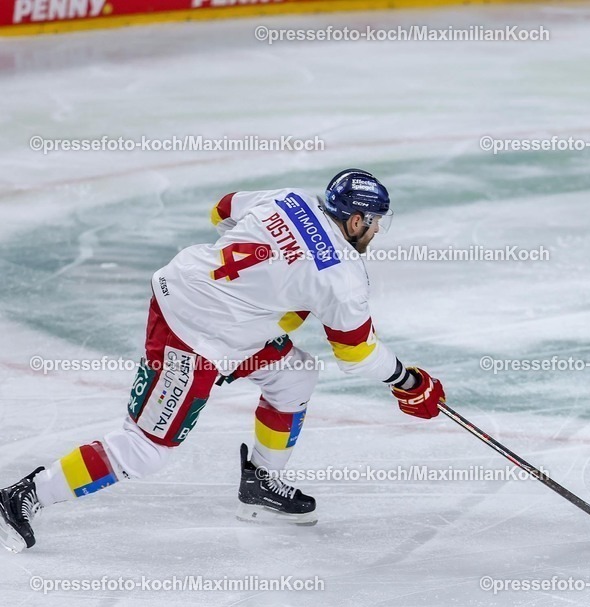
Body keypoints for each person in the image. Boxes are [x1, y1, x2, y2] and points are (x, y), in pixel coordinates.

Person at [0, 170, 446, 553]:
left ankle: (260, 486)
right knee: (146, 449)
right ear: (354, 220)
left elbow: (222, 210)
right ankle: (23, 495)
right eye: (374, 225)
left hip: (213, 312)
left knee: (294, 374)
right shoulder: (341, 276)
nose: (375, 233)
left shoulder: (290, 198)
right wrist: (407, 380)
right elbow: (357, 354)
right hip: (192, 335)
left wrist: (265, 275)